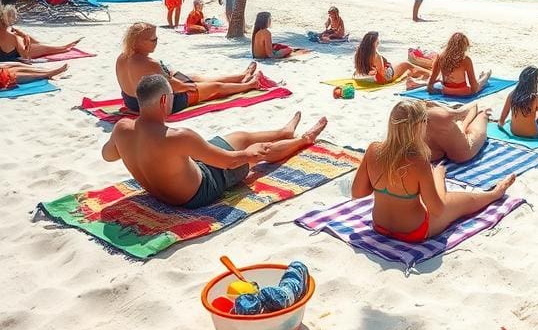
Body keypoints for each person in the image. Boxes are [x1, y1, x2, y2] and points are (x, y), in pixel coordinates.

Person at [102, 74, 328, 208]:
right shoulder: (178, 136)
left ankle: (283, 132)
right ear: (164, 100)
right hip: (200, 191)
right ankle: (303, 139)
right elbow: (229, 162)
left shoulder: (122, 129)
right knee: (256, 150)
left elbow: (108, 155)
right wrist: (250, 154)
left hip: (167, 187)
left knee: (239, 136)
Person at [351, 99, 515, 242]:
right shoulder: (418, 161)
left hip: (379, 225)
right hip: (413, 231)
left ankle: (439, 175)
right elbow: (437, 209)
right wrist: (436, 181)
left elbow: (358, 192)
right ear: (418, 127)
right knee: (462, 201)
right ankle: (494, 194)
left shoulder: (373, 150)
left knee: (425, 192)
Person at [115, 22, 262, 114]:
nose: (157, 42)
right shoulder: (150, 63)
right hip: (154, 107)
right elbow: (177, 87)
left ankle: (241, 76)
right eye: (153, 39)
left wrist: (182, 77)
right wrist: (193, 86)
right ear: (139, 42)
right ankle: (250, 84)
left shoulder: (122, 57)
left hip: (131, 102)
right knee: (214, 86)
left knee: (195, 77)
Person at [0, 5, 81, 60]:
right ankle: (63, 48)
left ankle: (60, 47)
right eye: (15, 17)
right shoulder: (14, 37)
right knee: (44, 49)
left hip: (8, 51)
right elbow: (25, 56)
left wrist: (24, 36)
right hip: (14, 54)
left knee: (26, 38)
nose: (16, 18)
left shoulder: (11, 31)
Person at [427, 32, 491, 97]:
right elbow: (473, 86)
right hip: (462, 92)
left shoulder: (440, 56)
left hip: (446, 91)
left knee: (439, 82)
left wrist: (434, 87)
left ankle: (482, 77)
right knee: (479, 84)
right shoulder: (466, 60)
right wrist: (477, 87)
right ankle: (484, 78)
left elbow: (431, 82)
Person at [424, 102, 491, 163]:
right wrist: (463, 124)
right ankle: (484, 114)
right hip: (460, 154)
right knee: (482, 113)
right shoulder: (442, 115)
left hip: (433, 154)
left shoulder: (417, 119)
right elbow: (473, 105)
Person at [354, 31, 430, 84]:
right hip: (384, 78)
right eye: (377, 40)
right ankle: (429, 74)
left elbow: (358, 67)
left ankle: (421, 73)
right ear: (374, 42)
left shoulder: (359, 51)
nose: (379, 41)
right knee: (406, 64)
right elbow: (382, 74)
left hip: (366, 73)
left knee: (398, 64)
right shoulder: (376, 56)